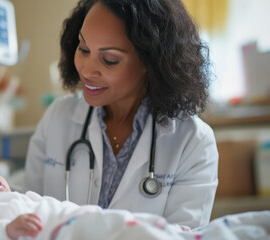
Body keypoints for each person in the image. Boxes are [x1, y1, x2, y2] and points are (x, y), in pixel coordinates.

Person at [24, 0, 218, 229]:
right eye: (83, 49)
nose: (86, 70)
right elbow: (27, 211)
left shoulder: (193, 141)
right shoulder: (58, 117)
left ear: (151, 61)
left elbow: (185, 234)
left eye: (109, 60)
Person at [0, 147, 194, 240]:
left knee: (122, 225)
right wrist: (7, 230)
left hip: (79, 219)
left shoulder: (19, 197)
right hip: (64, 232)